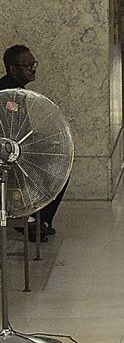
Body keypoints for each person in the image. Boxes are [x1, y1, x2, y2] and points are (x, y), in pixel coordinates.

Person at [1, 46, 64, 239]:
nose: (33, 69)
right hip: (7, 153)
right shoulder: (6, 93)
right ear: (13, 69)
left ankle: (38, 218)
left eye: (33, 64)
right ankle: (29, 219)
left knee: (61, 157)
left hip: (17, 146)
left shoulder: (18, 91)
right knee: (49, 168)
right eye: (27, 65)